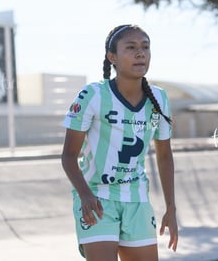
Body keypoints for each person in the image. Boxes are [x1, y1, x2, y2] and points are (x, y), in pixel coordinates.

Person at [61, 24, 178, 261]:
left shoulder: (159, 98)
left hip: (137, 200)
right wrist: (84, 195)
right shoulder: (92, 95)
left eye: (145, 47)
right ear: (112, 57)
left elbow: (164, 156)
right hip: (97, 198)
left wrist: (171, 209)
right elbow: (69, 156)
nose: (140, 53)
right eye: (131, 47)